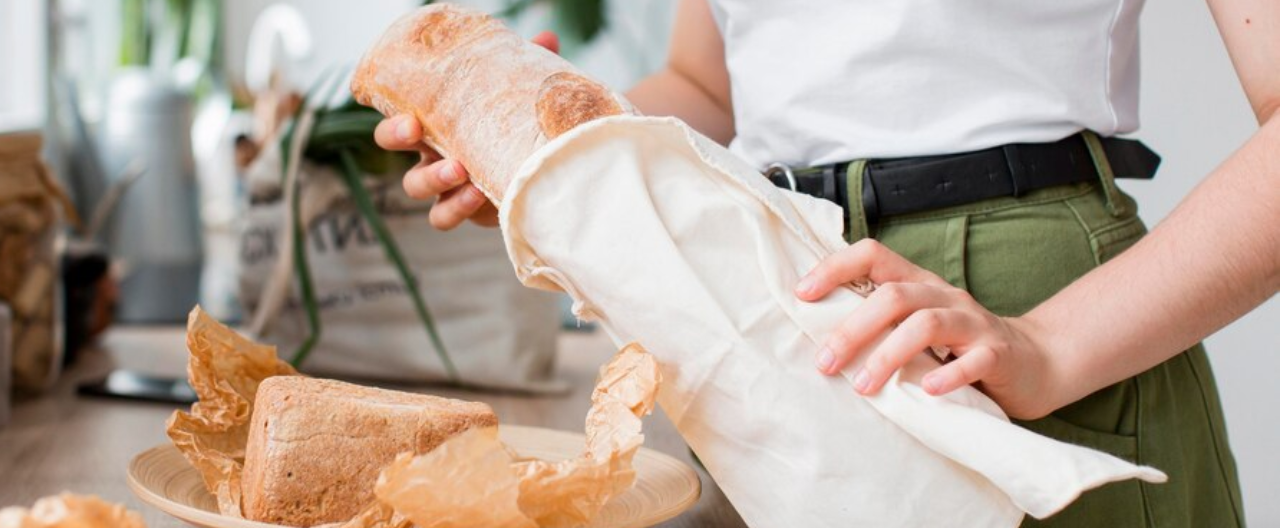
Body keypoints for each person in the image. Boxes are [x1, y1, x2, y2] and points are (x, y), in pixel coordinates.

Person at [373, 0, 1278, 525]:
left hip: (1033, 300)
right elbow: (708, 84)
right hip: (775, 295)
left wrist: (1050, 343)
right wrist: (554, 163)